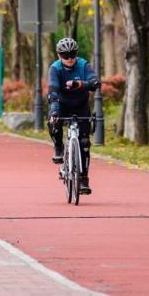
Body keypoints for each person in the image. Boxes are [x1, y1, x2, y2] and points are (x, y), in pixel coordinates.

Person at [47, 37, 100, 194]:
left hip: (81, 105)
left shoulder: (84, 65)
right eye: (65, 55)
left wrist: (80, 84)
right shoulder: (55, 69)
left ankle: (83, 179)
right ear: (59, 56)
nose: (69, 59)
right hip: (62, 104)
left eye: (72, 54)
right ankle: (58, 146)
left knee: (84, 143)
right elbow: (53, 91)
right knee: (53, 121)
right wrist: (55, 112)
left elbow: (95, 83)